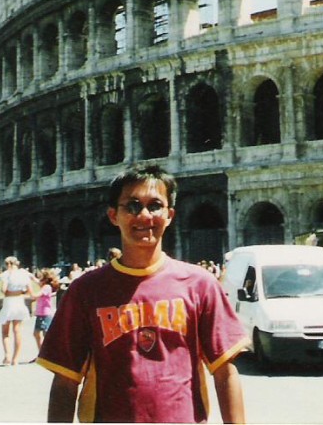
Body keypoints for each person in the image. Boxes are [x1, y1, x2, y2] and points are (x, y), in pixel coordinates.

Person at [39, 164, 248, 423]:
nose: (144, 215)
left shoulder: (200, 284)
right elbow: (65, 381)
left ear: (170, 215)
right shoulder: (85, 290)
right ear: (113, 215)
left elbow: (225, 372)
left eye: (155, 205)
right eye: (133, 206)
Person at [0, 256, 33, 366]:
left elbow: (4, 290)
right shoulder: (24, 274)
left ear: (7, 264)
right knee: (17, 330)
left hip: (9, 301)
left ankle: (7, 356)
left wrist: (9, 291)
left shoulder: (6, 274)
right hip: (19, 301)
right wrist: (20, 292)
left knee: (5, 331)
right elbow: (30, 291)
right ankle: (15, 359)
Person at [32, 269, 59, 355]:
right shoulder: (46, 286)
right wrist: (31, 277)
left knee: (44, 334)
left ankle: (47, 353)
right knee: (37, 333)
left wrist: (29, 291)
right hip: (41, 313)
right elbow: (37, 282)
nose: (39, 279)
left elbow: (36, 295)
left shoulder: (46, 287)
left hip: (45, 314)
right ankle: (42, 353)